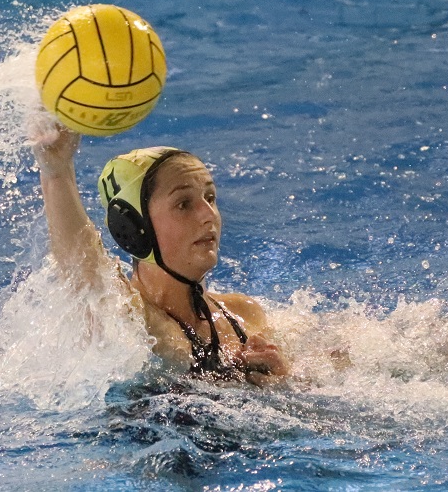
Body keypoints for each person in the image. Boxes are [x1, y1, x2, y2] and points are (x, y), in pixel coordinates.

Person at [31, 122, 289, 385]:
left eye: (209, 198)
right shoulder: (136, 326)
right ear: (133, 227)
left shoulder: (244, 314)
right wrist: (56, 173)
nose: (209, 215)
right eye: (184, 204)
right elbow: (84, 268)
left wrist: (284, 382)